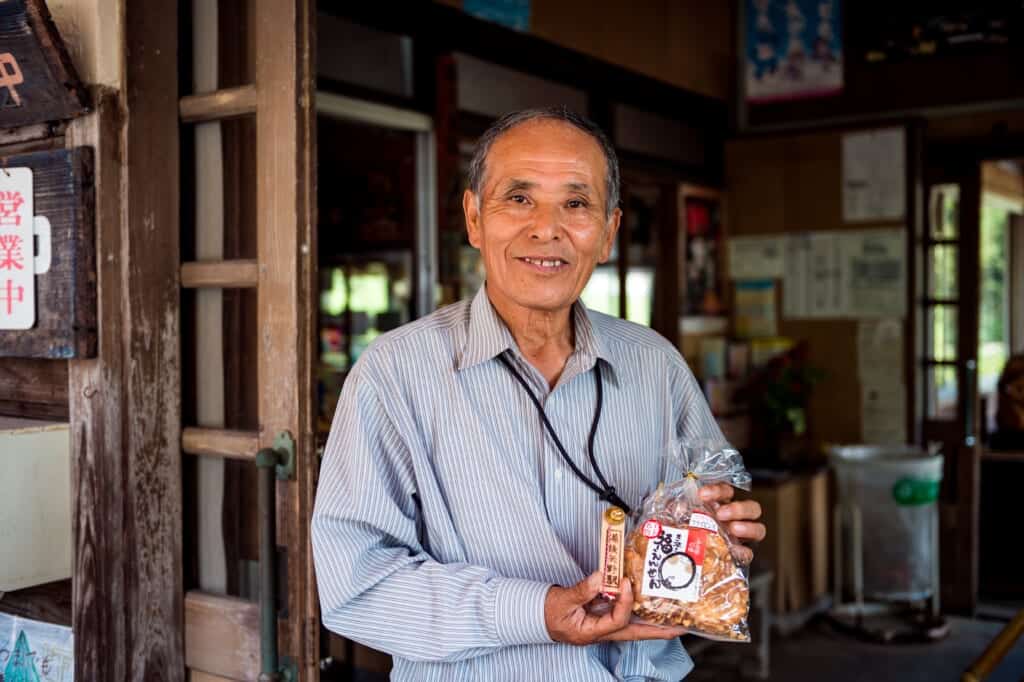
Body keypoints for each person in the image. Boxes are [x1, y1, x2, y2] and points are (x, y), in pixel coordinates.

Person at [312, 107, 766, 681]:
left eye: (576, 203)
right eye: (519, 198)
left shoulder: (656, 365)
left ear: (607, 232)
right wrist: (537, 611)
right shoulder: (394, 374)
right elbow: (357, 585)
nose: (546, 228)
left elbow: (706, 514)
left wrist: (720, 533)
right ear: (474, 218)